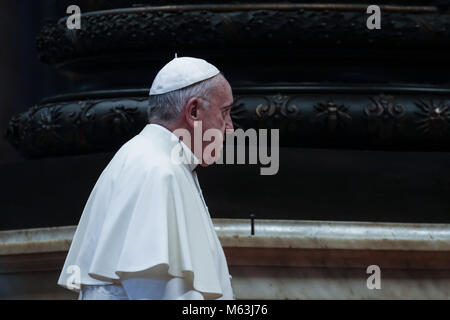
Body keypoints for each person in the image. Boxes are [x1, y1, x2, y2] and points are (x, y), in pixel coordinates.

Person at [57, 56, 235, 300]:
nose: (230, 127)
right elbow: (157, 293)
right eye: (224, 112)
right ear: (193, 111)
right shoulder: (158, 170)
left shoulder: (152, 158)